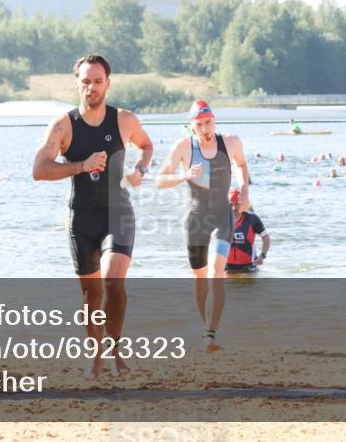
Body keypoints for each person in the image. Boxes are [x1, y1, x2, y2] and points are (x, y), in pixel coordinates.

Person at [32, 54, 153, 379]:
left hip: (118, 213)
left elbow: (147, 146)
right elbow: (39, 170)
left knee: (114, 280)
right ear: (77, 84)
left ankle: (116, 350)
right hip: (81, 220)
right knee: (91, 293)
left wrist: (141, 169)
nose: (92, 87)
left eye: (98, 81)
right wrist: (80, 166)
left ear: (108, 84)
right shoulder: (63, 126)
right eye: (86, 81)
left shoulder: (125, 120)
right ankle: (95, 354)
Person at [156, 100, 250, 351]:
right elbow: (160, 180)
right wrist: (184, 175)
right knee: (199, 277)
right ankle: (205, 328)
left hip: (222, 214)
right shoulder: (184, 147)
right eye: (199, 125)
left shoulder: (230, 142)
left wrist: (244, 190)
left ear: (214, 120)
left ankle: (210, 335)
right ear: (191, 126)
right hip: (196, 217)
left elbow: (241, 164)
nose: (205, 129)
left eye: (208, 123)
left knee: (217, 271)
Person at [225, 190, 270, 274]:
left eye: (237, 204)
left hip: (248, 267)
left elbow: (266, 238)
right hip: (226, 267)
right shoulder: (221, 219)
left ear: (242, 204)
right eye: (231, 204)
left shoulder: (252, 218)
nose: (234, 208)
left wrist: (262, 255)